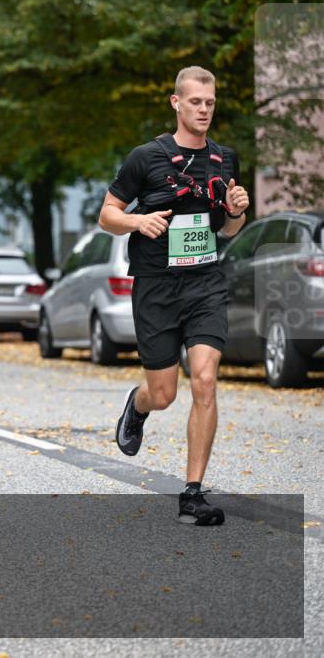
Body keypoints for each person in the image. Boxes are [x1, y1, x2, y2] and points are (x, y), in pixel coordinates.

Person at [99, 66, 249, 526]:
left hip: (205, 283)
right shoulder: (146, 158)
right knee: (164, 393)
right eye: (196, 102)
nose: (204, 110)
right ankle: (138, 404)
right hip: (157, 287)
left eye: (210, 102)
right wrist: (137, 222)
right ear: (176, 103)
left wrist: (236, 213)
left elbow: (225, 229)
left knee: (204, 379)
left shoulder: (224, 160)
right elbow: (107, 214)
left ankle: (192, 494)